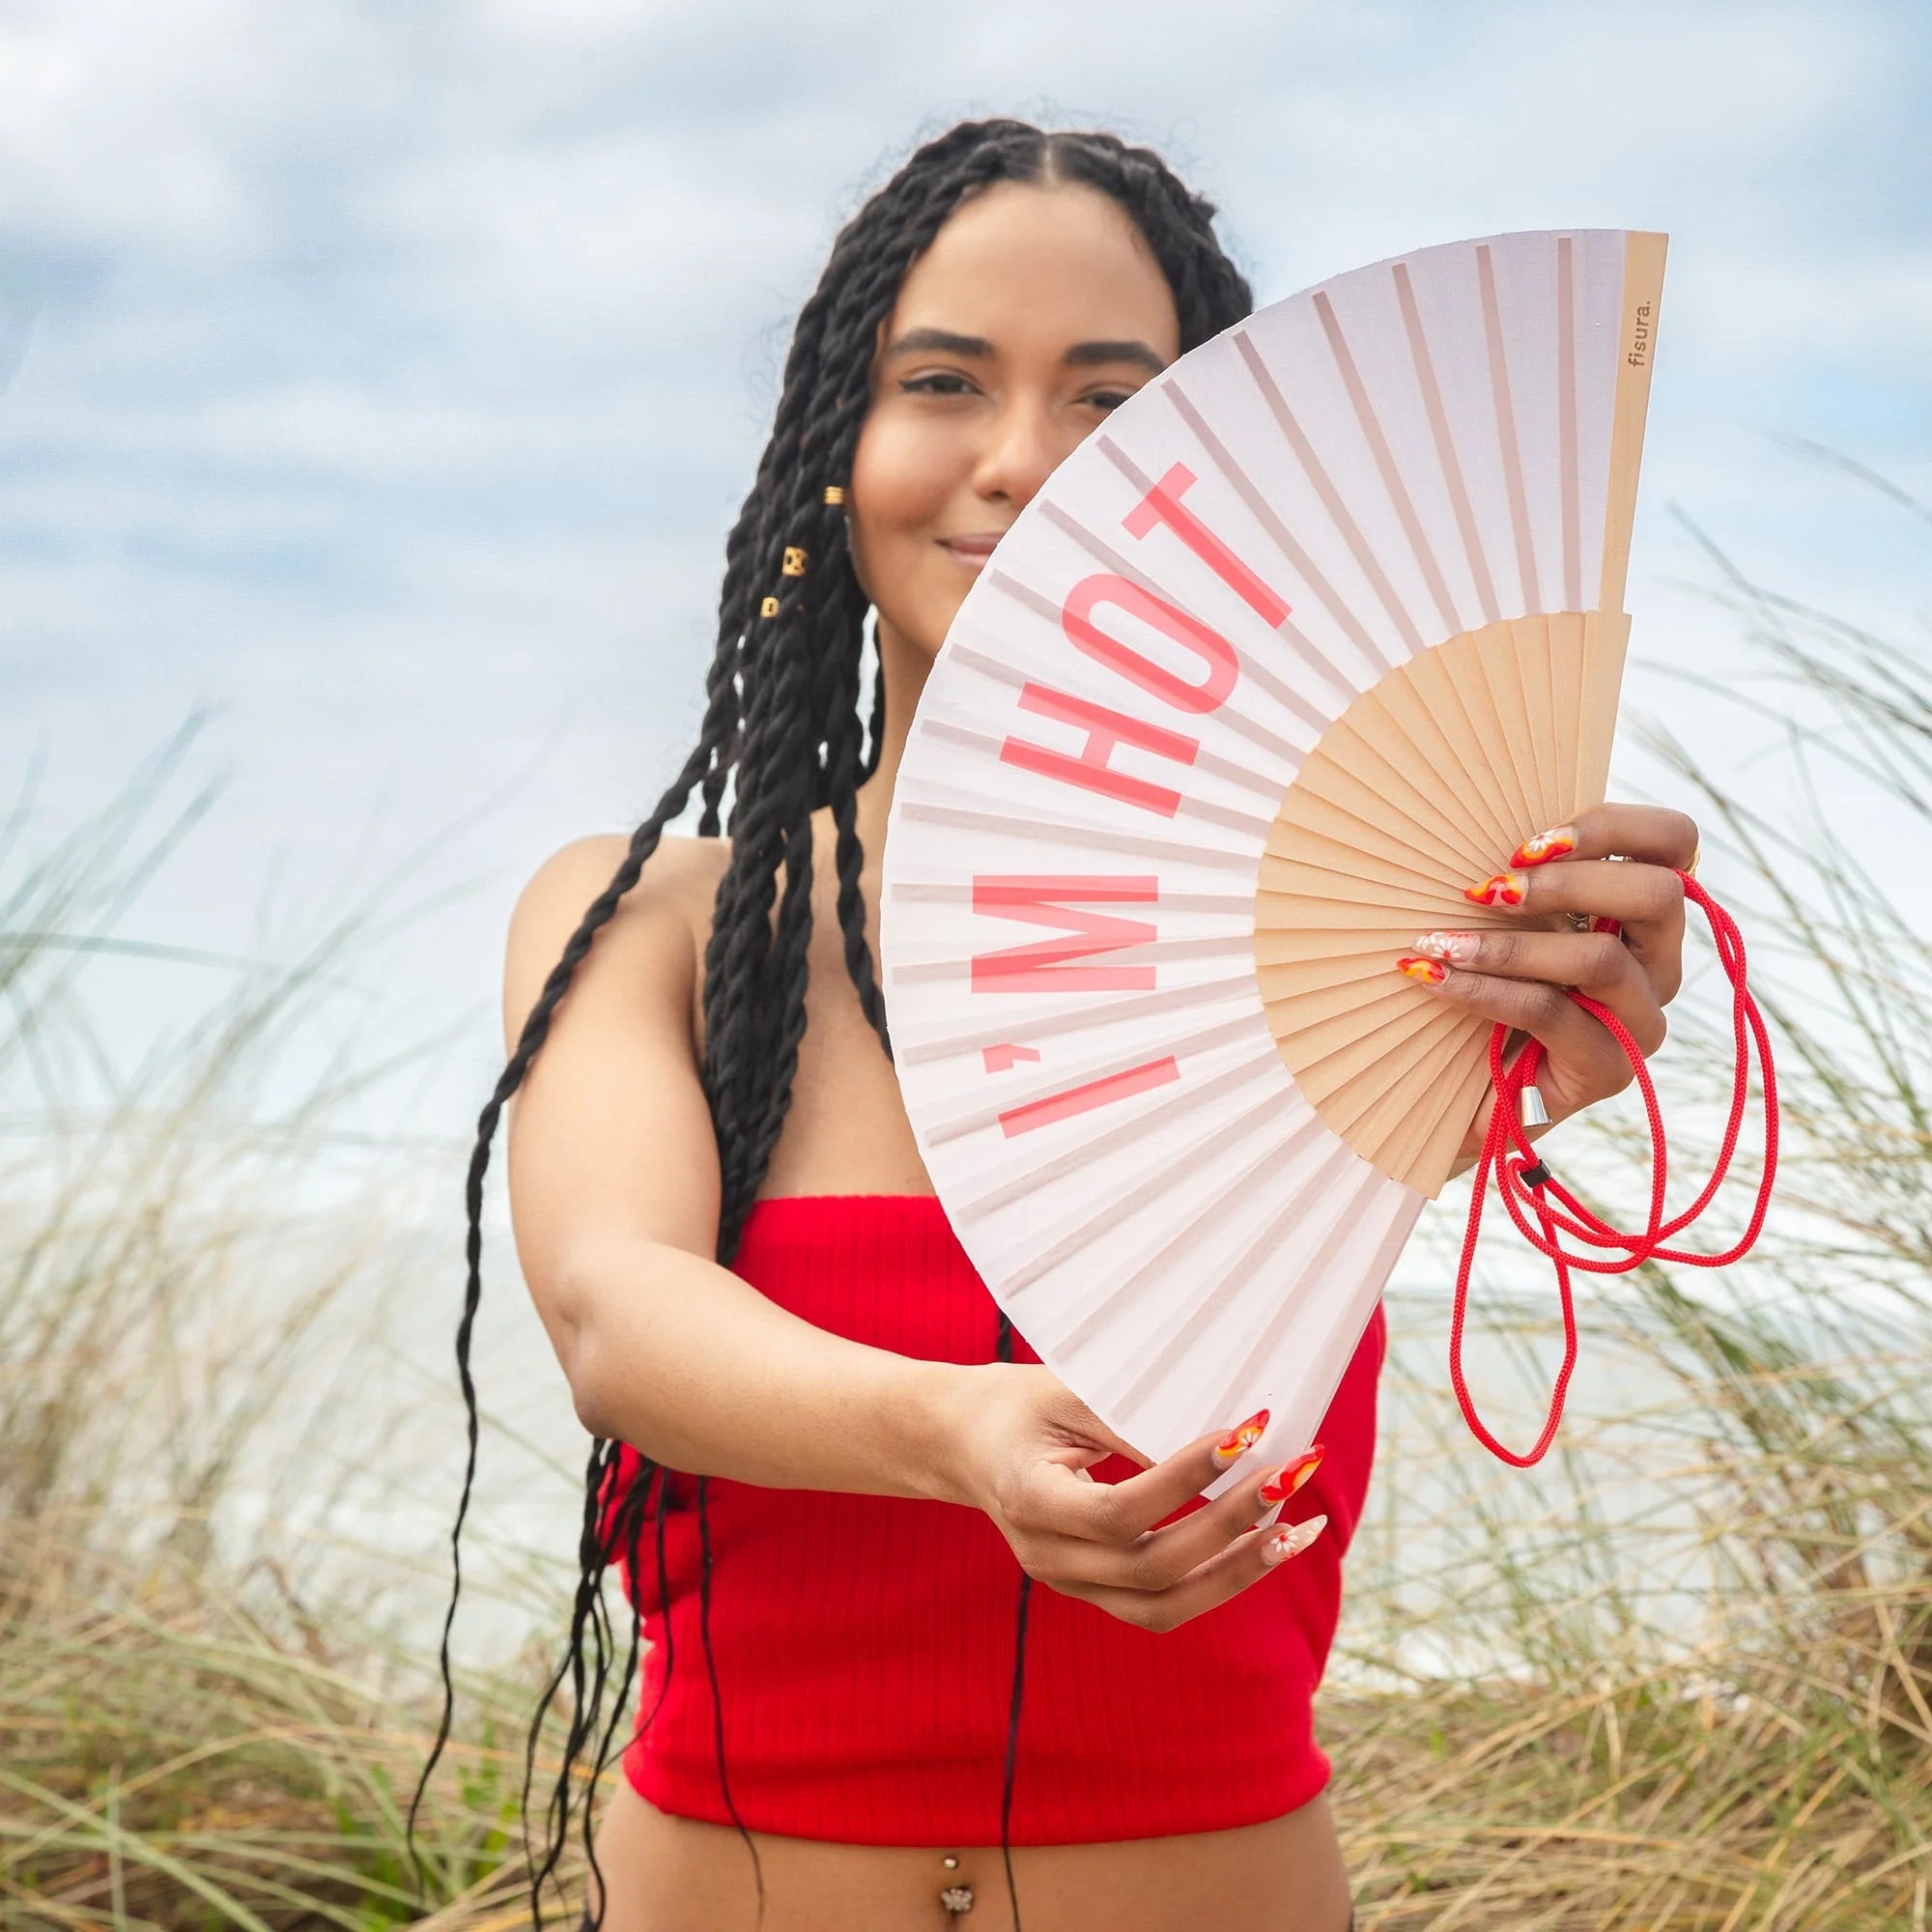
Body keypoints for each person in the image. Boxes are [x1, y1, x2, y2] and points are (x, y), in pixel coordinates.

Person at [417, 119, 1700, 1932]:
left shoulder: (1376, 936)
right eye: (944, 383)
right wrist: (957, 1440)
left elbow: (1418, 1174)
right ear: (835, 457)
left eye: (1115, 402)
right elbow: (615, 1315)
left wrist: (1543, 1051)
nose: (1024, 464)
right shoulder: (661, 921)